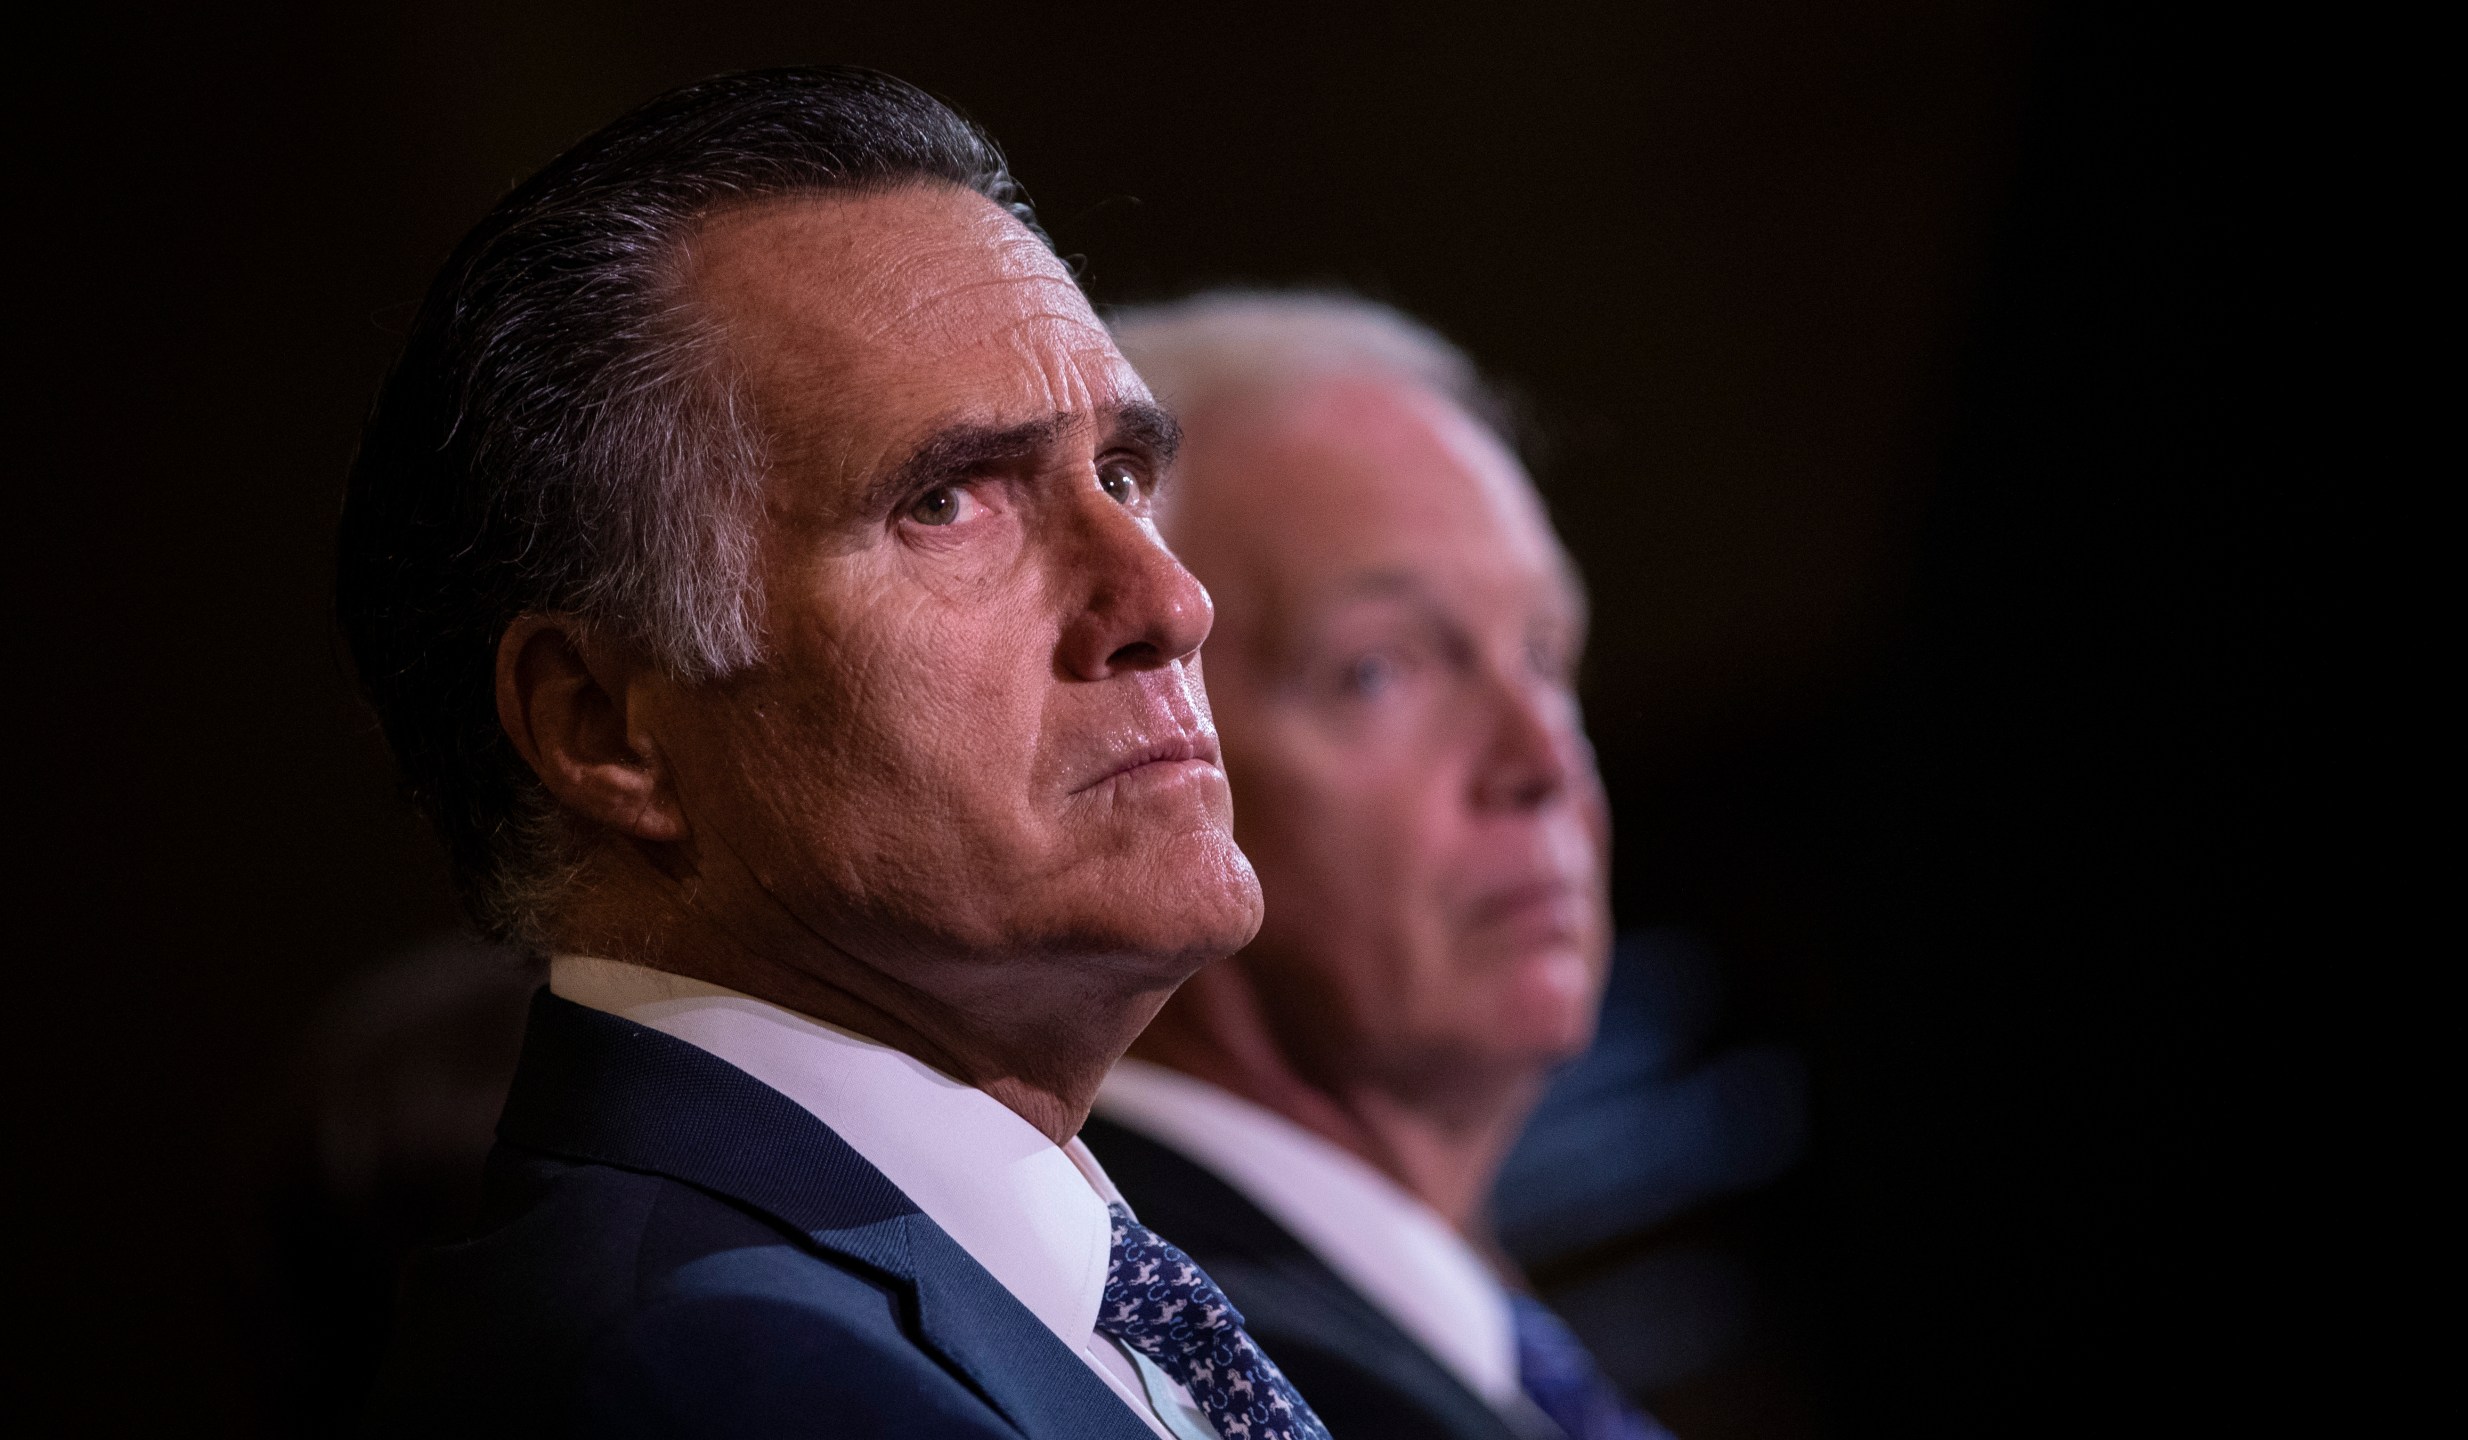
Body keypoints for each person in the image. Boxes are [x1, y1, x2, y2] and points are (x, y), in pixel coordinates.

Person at [338, 69, 1323, 1440]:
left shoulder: (986, 1286)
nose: (1167, 605)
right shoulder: (712, 1373)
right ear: (603, 728)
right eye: (946, 502)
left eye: (1121, 476)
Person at [1083, 294, 1672, 1440]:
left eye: (1543, 653)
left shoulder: (1442, 1332)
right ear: (1142, 750)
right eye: (1379, 670)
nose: (1541, 760)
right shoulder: (1179, 1371)